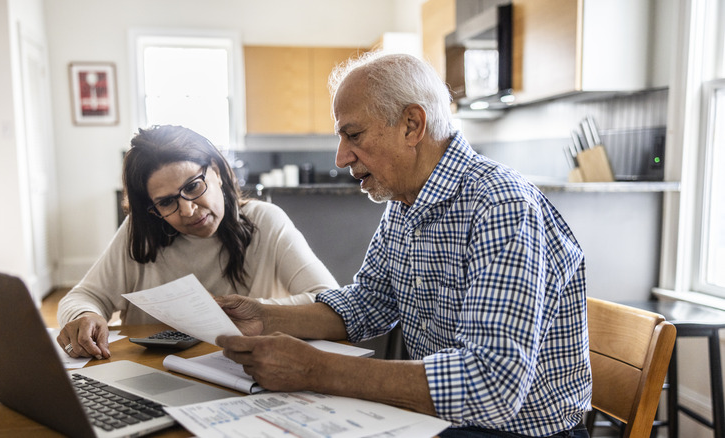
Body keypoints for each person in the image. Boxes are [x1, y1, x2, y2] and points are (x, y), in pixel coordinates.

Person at [215, 52, 591, 438]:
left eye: (353, 134)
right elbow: (368, 303)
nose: (342, 157)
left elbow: (491, 386)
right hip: (443, 420)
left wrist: (317, 369)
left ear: (412, 125)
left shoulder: (501, 206)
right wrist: (264, 318)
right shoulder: (405, 202)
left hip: (516, 431)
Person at [57, 125, 338, 360]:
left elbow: (331, 302)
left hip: (241, 370)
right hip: (153, 374)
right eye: (167, 202)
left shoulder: (265, 221)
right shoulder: (140, 232)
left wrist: (257, 311)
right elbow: (83, 297)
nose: (188, 210)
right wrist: (84, 315)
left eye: (193, 186)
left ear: (215, 170)